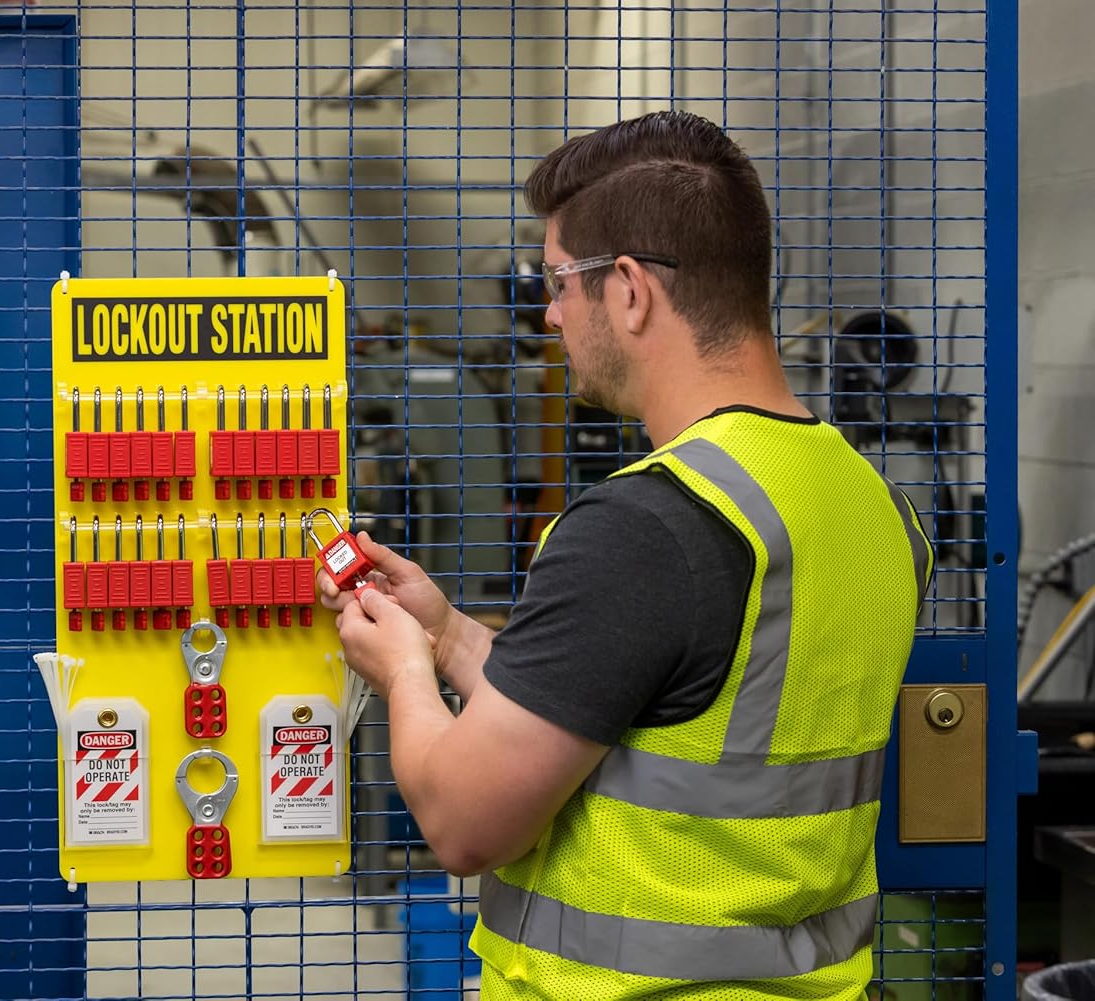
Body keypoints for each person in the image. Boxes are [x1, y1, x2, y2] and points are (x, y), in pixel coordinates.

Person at [321, 110, 933, 1000]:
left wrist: (404, 672)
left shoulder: (648, 524)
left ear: (633, 290)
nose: (548, 311)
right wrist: (448, 634)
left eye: (560, 280)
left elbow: (460, 822)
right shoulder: (876, 510)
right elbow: (653, 715)